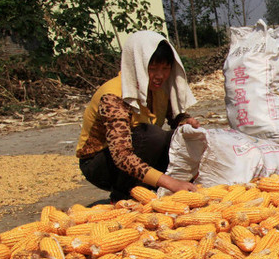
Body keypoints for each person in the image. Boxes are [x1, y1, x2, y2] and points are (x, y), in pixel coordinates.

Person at [75, 30, 201, 200]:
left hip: (137, 151)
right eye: (153, 68)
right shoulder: (113, 95)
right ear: (137, 66)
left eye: (165, 68)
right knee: (153, 135)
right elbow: (121, 155)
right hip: (100, 163)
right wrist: (171, 183)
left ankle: (147, 188)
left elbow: (175, 116)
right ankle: (123, 194)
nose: (160, 76)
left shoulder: (158, 89)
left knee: (182, 137)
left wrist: (186, 122)